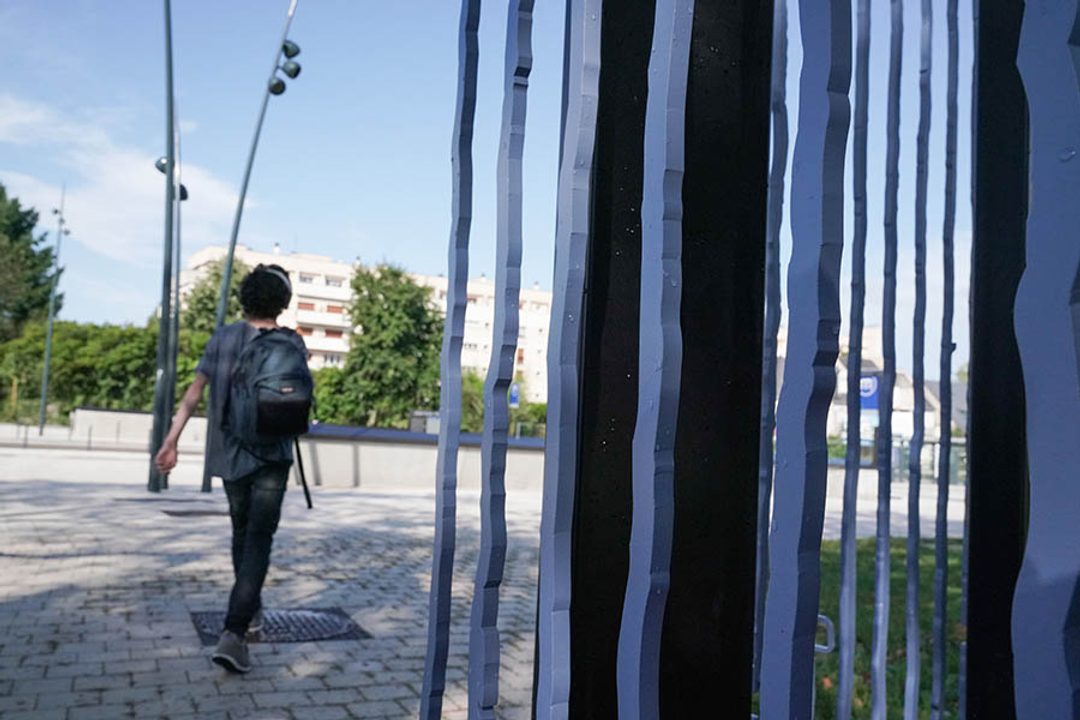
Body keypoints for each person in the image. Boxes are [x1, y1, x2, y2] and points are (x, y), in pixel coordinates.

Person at [155, 263, 307, 674]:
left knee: (243, 535)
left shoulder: (222, 339)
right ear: (283, 301)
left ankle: (246, 614)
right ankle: (235, 630)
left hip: (229, 455)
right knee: (258, 539)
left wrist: (171, 441)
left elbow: (193, 394)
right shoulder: (292, 341)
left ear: (243, 298)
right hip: (274, 456)